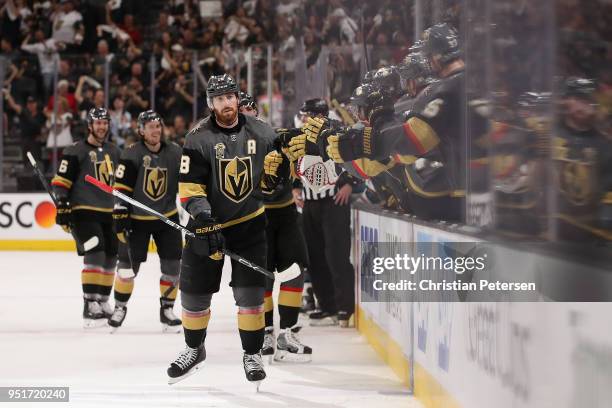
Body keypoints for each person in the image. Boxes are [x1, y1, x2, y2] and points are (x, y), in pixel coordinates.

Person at [166, 74, 283, 387]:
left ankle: (252, 353)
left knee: (250, 295)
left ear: (237, 97)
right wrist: (205, 218)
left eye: (230, 97)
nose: (226, 103)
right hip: (206, 227)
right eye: (219, 99)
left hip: (249, 225)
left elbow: (279, 170)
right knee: (192, 294)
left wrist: (277, 178)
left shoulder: (263, 131)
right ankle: (194, 349)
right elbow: (190, 187)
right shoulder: (198, 138)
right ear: (211, 103)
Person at [239, 92, 312, 362]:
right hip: (255, 218)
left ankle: (287, 333)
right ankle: (267, 332)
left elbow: (294, 141)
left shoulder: (273, 136)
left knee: (294, 271)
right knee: (263, 276)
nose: (247, 113)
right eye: (241, 109)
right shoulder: (228, 145)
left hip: (285, 215)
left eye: (250, 108)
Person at [286, 98, 360, 328]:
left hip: (333, 202)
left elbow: (354, 157)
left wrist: (349, 182)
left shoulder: (336, 130)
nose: (304, 118)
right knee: (315, 257)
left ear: (319, 115)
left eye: (307, 114)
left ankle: (344, 307)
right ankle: (326, 305)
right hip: (310, 204)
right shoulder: (300, 134)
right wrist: (295, 186)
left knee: (336, 256)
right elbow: (294, 162)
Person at [109, 110, 184, 332]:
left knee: (173, 266)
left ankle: (167, 310)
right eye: (150, 126)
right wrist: (121, 215)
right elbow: (121, 189)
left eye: (158, 126)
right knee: (127, 269)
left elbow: (189, 180)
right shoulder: (131, 153)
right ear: (141, 130)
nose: (156, 130)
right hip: (137, 220)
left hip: (166, 218)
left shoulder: (175, 152)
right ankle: (120, 307)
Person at [51, 107, 120, 328]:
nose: (101, 126)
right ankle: (89, 304)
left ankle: (102, 300)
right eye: (97, 123)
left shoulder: (115, 151)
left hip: (109, 212)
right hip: (84, 211)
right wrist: (62, 205)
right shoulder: (75, 150)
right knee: (96, 251)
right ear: (89, 125)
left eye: (104, 122)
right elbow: (61, 182)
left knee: (111, 256)